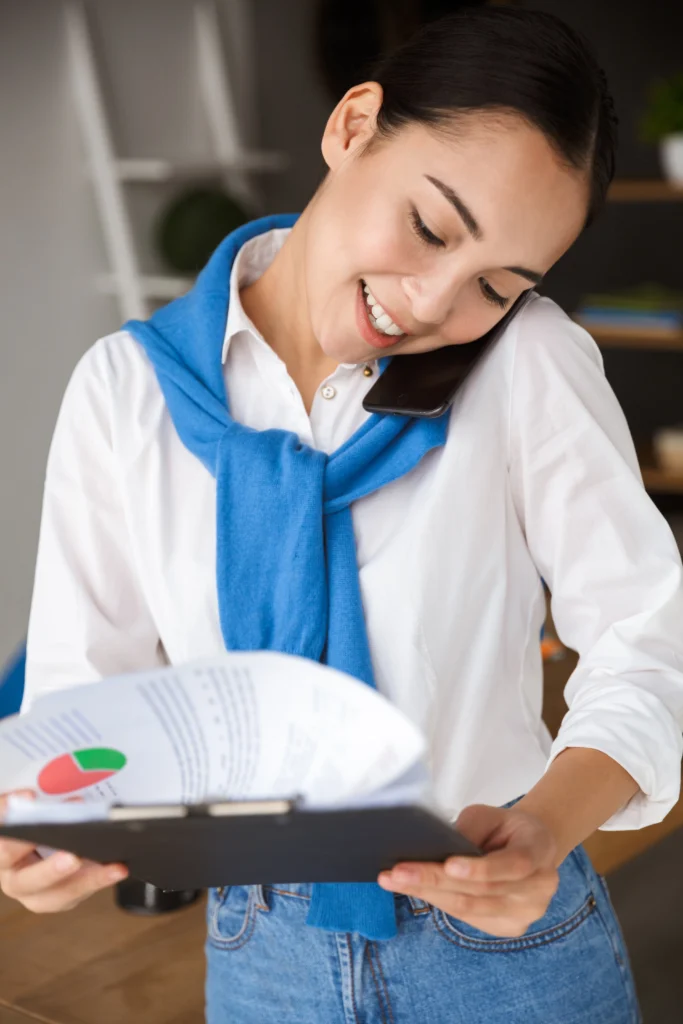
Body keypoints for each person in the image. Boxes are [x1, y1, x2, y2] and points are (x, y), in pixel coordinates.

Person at [1, 6, 681, 1022]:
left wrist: (544, 825)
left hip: (500, 945)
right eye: (429, 227)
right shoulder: (126, 394)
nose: (432, 303)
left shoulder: (525, 362)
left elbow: (648, 641)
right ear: (354, 125)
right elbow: (84, 704)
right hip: (254, 945)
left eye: (495, 285)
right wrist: (53, 825)